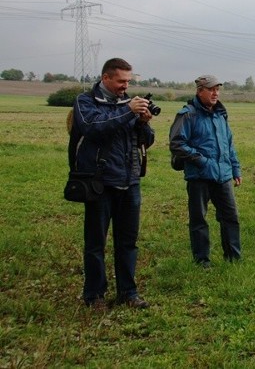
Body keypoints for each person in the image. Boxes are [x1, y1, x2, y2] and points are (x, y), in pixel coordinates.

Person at [69, 57, 155, 309]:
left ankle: (128, 293)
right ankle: (94, 295)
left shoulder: (126, 103)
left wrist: (143, 122)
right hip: (100, 182)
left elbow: (145, 141)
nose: (125, 86)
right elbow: (93, 127)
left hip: (129, 181)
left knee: (128, 242)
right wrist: (128, 111)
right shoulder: (86, 102)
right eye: (120, 81)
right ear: (106, 78)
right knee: (96, 242)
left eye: (128, 81)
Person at [169, 75, 243, 268]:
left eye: (217, 90)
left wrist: (235, 168)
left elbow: (229, 144)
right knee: (199, 220)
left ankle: (233, 258)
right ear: (199, 91)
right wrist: (201, 161)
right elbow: (177, 144)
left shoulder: (220, 115)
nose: (215, 93)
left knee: (230, 217)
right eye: (211, 89)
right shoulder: (188, 114)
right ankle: (202, 261)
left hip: (223, 175)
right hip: (199, 176)